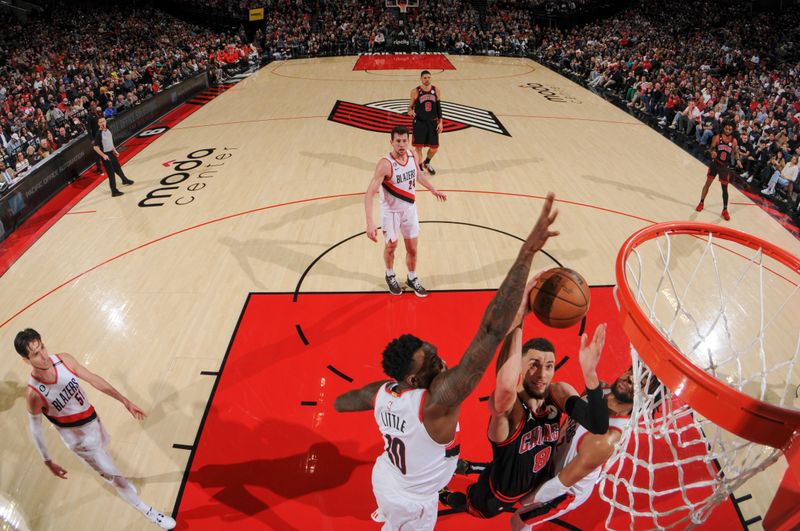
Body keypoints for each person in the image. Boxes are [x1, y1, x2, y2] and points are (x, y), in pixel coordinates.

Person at [334, 192, 560, 531]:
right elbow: (489, 330)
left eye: (434, 353)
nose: (441, 362)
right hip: (414, 501)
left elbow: (340, 403)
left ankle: (390, 512)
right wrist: (526, 253)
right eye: (433, 363)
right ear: (413, 381)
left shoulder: (381, 393)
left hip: (386, 476)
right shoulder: (436, 402)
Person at [439, 322, 609, 519]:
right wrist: (517, 321)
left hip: (538, 477)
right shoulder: (511, 408)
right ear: (519, 366)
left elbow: (598, 425)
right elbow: (504, 386)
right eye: (533, 365)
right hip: (501, 493)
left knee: (509, 462)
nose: (542, 375)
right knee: (477, 509)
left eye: (549, 366)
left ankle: (470, 467)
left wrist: (590, 375)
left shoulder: (557, 393)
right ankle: (444, 495)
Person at [15, 328, 176, 529]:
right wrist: (47, 460)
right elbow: (35, 429)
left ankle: (115, 477)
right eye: (36, 354)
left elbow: (93, 379)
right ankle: (150, 513)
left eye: (43, 347)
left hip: (93, 421)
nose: (44, 356)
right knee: (118, 480)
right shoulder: (34, 394)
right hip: (80, 442)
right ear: (25, 360)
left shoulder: (63, 360)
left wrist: (124, 400)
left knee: (109, 458)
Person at [510, 367, 661, 530]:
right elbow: (569, 423)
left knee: (519, 520)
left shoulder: (606, 439)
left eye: (640, 383)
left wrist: (526, 498)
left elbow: (561, 483)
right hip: (553, 461)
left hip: (565, 491)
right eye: (632, 371)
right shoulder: (600, 389)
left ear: (645, 399)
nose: (630, 378)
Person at [365, 125, 447, 297]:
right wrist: (370, 222)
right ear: (391, 142)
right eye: (398, 141)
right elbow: (369, 193)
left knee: (413, 249)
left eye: (404, 140)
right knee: (391, 246)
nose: (401, 144)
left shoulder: (412, 155)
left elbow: (418, 175)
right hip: (391, 212)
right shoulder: (384, 165)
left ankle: (412, 277)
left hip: (410, 209)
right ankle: (390, 274)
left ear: (408, 140)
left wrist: (433, 189)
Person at [696, 119, 742, 221]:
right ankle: (701, 202)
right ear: (724, 127)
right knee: (707, 184)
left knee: (725, 189)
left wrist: (738, 160)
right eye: (726, 128)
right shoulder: (717, 137)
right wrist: (712, 152)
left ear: (732, 130)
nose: (728, 130)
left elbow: (736, 152)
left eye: (730, 129)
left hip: (725, 167)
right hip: (715, 164)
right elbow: (711, 147)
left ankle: (725, 209)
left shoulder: (734, 141)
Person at [408, 70, 443, 175]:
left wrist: (440, 122)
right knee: (418, 147)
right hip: (419, 122)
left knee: (434, 148)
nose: (427, 79)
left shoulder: (436, 90)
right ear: (421, 79)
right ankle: (419, 168)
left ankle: (426, 162)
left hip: (432, 123)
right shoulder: (415, 91)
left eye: (428, 77)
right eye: (425, 77)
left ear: (431, 78)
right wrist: (410, 111)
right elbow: (410, 106)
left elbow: (439, 108)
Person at [93, 117, 134, 197]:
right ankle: (114, 191)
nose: (102, 123)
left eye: (103, 121)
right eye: (100, 122)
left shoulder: (108, 129)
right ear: (98, 124)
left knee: (117, 168)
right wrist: (103, 155)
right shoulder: (98, 134)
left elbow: (110, 142)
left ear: (105, 122)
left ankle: (124, 180)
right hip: (106, 155)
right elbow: (95, 147)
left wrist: (115, 151)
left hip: (111, 153)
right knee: (111, 173)